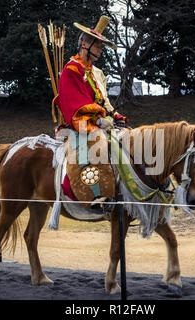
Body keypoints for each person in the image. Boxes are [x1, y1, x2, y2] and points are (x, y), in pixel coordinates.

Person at [54, 16, 128, 209]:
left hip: (96, 119)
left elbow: (100, 100)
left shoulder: (91, 72)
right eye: (98, 46)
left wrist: (113, 116)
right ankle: (94, 192)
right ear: (84, 44)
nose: (101, 51)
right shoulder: (72, 69)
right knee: (99, 143)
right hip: (80, 122)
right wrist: (99, 118)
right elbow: (75, 103)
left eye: (102, 47)